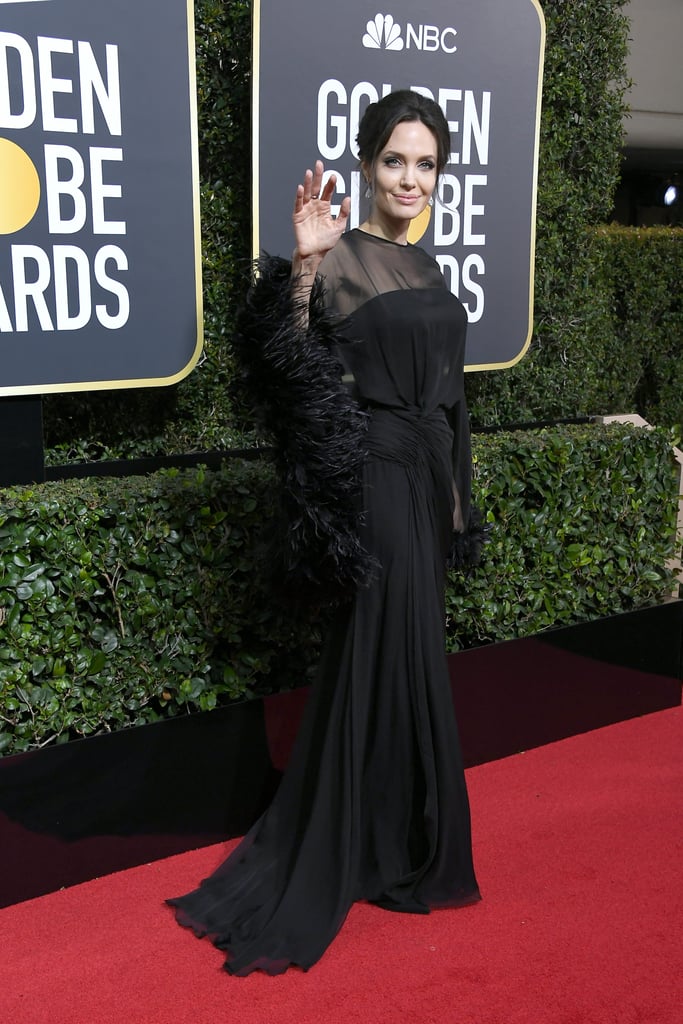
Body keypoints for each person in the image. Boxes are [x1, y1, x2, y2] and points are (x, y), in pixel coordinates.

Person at [167, 89, 485, 976]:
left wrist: (455, 501)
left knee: (408, 659)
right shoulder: (341, 255)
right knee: (377, 653)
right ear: (367, 163)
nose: (410, 178)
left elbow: (455, 400)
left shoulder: (424, 267)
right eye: (394, 160)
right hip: (375, 480)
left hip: (422, 485)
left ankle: (390, 836)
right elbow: (285, 360)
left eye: (425, 163)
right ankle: (349, 842)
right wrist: (302, 268)